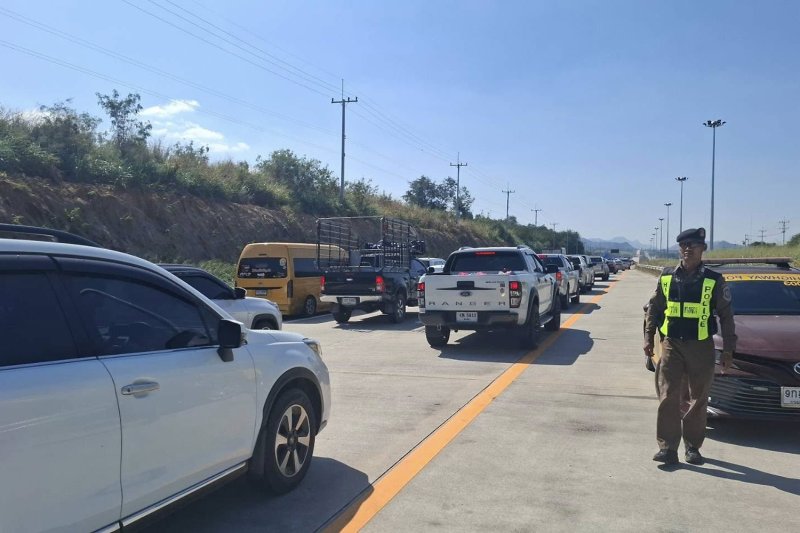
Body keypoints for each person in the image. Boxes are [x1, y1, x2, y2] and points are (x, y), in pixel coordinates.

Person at [643, 227, 736, 465]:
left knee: (699, 398)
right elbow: (654, 308)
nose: (688, 249)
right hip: (672, 344)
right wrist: (648, 337)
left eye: (693, 246)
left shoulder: (713, 280)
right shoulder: (666, 276)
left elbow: (726, 316)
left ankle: (692, 447)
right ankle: (667, 448)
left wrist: (727, 350)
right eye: (684, 246)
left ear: (702, 249)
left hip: (701, 346)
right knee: (668, 395)